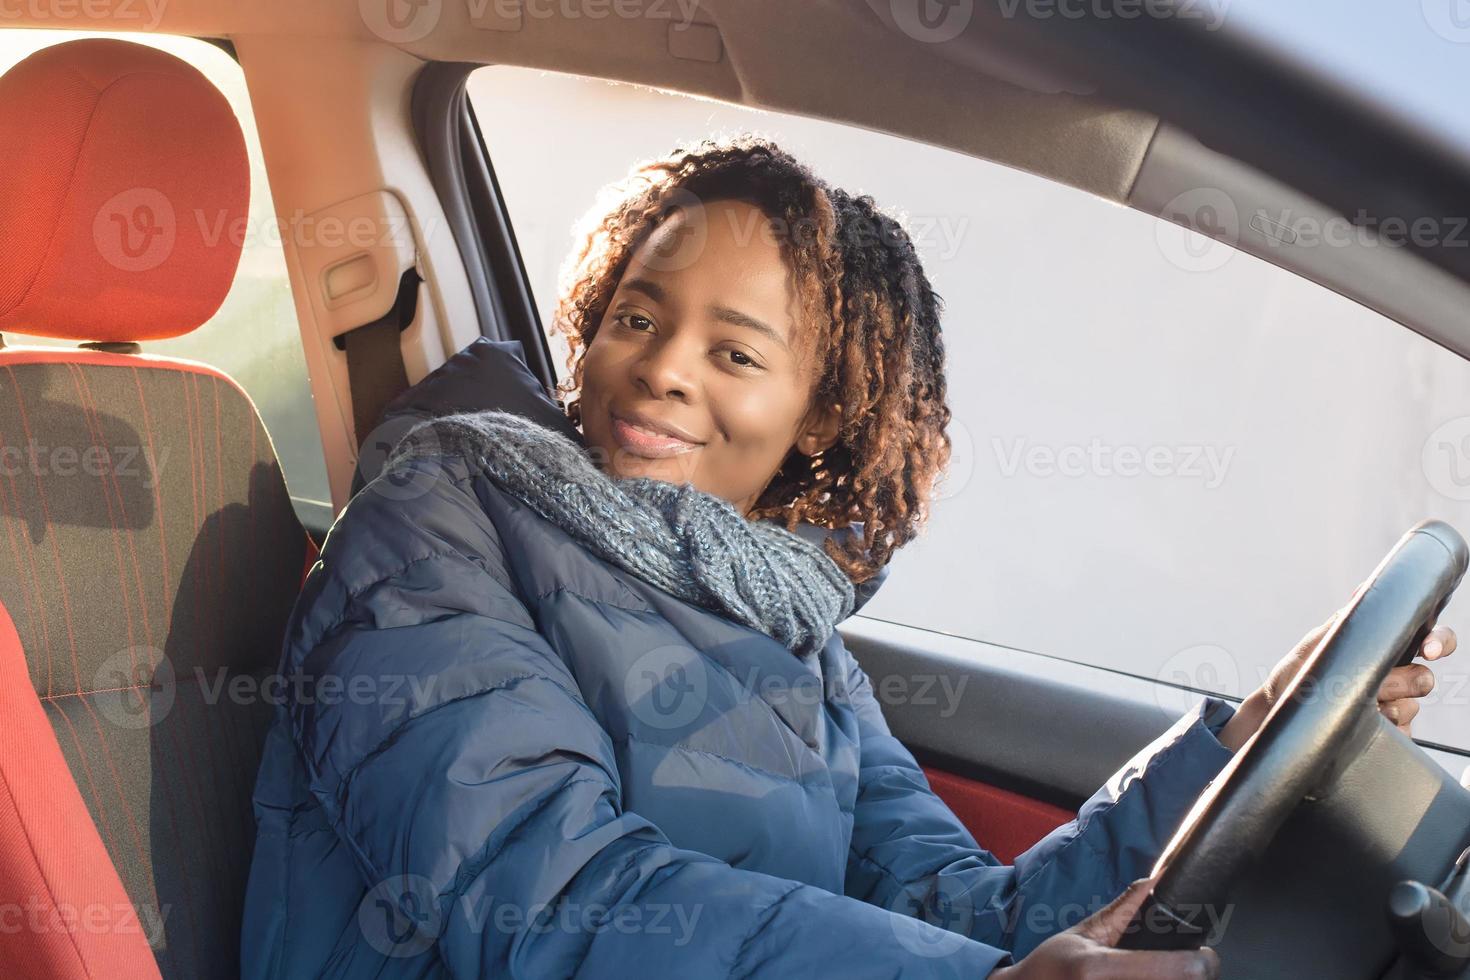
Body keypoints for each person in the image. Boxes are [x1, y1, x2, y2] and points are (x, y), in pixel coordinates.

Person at [241, 136, 1454, 979]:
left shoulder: (788, 621)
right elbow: (543, 896)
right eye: (637, 317)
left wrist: (1231, 751)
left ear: (821, 413)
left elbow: (955, 910)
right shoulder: (434, 520)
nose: (662, 366)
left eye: (735, 351)